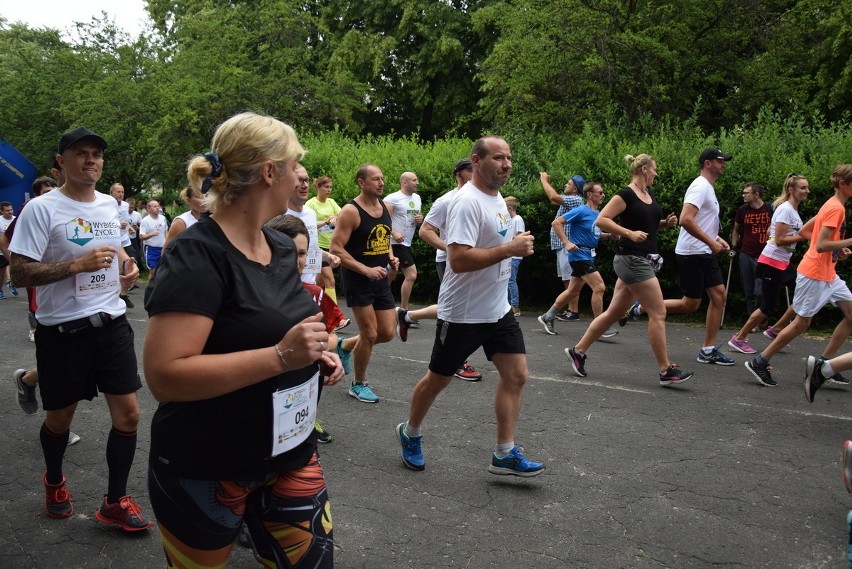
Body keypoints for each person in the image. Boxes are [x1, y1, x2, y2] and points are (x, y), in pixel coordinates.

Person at [143, 112, 340, 567]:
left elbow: (285, 329)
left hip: (290, 454)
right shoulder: (197, 252)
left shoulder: (282, 245)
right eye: (295, 165)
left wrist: (313, 358)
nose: (299, 176)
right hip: (206, 463)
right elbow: (166, 376)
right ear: (270, 172)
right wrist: (280, 356)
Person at [8, 126, 148, 529]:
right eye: (81, 153)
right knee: (59, 421)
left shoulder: (108, 205)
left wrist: (126, 264)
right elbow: (18, 273)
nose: (91, 160)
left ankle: (115, 502)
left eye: (97, 154)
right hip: (63, 333)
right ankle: (54, 482)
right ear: (61, 162)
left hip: (111, 323)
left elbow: (115, 244)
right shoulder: (41, 209)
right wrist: (75, 266)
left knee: (130, 416)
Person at [395, 135, 545, 477]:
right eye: (497, 157)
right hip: (463, 312)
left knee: (517, 374)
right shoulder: (466, 202)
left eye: (508, 157)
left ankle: (504, 453)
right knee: (438, 379)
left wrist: (514, 244)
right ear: (476, 161)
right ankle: (410, 431)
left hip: (497, 308)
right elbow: (459, 260)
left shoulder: (494, 200)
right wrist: (510, 250)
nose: (506, 163)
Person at [565, 154, 692, 386]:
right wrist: (628, 233)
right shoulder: (626, 195)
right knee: (658, 312)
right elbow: (602, 220)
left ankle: (578, 350)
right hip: (632, 259)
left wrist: (665, 224)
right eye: (654, 169)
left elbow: (647, 226)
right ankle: (665, 371)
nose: (656, 173)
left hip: (642, 257)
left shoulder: (648, 194)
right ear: (644, 169)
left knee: (614, 313)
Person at [621, 148, 735, 366]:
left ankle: (708, 350)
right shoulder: (700, 186)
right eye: (720, 161)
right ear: (707, 163)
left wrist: (716, 238)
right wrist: (710, 242)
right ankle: (642, 307)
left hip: (703, 250)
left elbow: (700, 220)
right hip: (692, 252)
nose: (724, 164)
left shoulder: (708, 188)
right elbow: (686, 219)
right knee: (690, 304)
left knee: (719, 296)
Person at [745, 164, 852, 387]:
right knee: (801, 323)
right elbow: (821, 244)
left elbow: (805, 233)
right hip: (814, 273)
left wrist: (837, 250)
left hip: (828, 274)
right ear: (843, 184)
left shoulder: (832, 205)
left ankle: (824, 365)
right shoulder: (836, 209)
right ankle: (760, 361)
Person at [266, 213, 348, 444]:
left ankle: (310, 424)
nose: (297, 260)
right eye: (288, 251)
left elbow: (332, 337)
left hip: (302, 397)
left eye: (301, 253)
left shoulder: (314, 294)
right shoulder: (251, 293)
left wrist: (322, 348)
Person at [398, 158, 482, 381]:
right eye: (472, 172)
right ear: (459, 175)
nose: (477, 175)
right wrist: (452, 248)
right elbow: (425, 231)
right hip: (449, 261)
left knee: (460, 306)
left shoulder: (483, 197)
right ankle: (458, 361)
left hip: (476, 260)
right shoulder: (446, 200)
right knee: (458, 311)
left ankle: (407, 316)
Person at [331, 164, 399, 403]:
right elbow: (336, 248)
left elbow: (384, 236)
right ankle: (358, 384)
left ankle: (346, 345)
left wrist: (390, 256)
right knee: (369, 334)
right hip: (358, 279)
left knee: (388, 332)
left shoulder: (386, 207)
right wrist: (365, 269)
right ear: (361, 182)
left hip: (379, 278)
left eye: (382, 178)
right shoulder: (351, 211)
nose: (381, 183)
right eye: (375, 179)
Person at [727, 174, 811, 355]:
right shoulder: (785, 210)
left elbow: (772, 232)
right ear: (791, 190)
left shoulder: (793, 211)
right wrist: (805, 237)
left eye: (807, 188)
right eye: (803, 188)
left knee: (805, 290)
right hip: (772, 261)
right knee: (766, 306)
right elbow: (780, 240)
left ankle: (775, 330)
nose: (807, 191)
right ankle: (739, 338)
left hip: (782, 262)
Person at [537, 181, 618, 338]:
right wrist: (566, 242)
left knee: (572, 291)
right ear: (589, 194)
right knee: (599, 287)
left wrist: (607, 236)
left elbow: (593, 234)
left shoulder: (598, 214)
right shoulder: (581, 210)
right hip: (579, 255)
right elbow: (557, 222)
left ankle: (547, 317)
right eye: (600, 192)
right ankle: (599, 327)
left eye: (603, 193)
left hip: (588, 254)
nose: (603, 195)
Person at [288, 165, 347, 330]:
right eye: (299, 181)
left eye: (306, 180)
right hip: (291, 289)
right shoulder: (279, 214)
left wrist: (328, 256)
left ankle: (338, 333)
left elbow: (311, 247)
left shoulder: (309, 213)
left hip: (310, 285)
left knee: (320, 340)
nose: (304, 185)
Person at [541, 171, 584, 320]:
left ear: (575, 189)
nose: (566, 184)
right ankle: (571, 311)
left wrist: (544, 180)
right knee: (567, 279)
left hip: (568, 245)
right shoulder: (572, 200)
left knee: (571, 279)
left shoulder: (576, 200)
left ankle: (573, 312)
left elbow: (553, 197)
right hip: (562, 246)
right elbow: (555, 199)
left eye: (569, 183)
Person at [730, 182, 772, 316]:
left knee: (760, 291)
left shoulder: (770, 208)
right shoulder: (743, 210)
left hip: (765, 254)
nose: (743, 195)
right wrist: (734, 247)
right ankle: (751, 320)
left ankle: (762, 317)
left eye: (746, 193)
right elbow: (736, 230)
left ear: (756, 195)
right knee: (748, 290)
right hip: (746, 253)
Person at [384, 171, 423, 310]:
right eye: (414, 180)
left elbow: (416, 217)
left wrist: (420, 219)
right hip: (394, 243)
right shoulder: (393, 198)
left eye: (417, 180)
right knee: (411, 274)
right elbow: (382, 220)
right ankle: (404, 311)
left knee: (391, 274)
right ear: (404, 182)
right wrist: (394, 233)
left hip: (406, 242)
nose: (417, 182)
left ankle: (379, 301)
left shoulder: (417, 198)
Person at [306, 175, 342, 303]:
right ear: (318, 187)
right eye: (326, 187)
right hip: (317, 247)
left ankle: (308, 303)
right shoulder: (310, 204)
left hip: (331, 246)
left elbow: (342, 215)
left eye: (331, 187)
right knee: (330, 280)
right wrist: (326, 221)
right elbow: (308, 224)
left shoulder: (331, 202)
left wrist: (335, 218)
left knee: (318, 282)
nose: (329, 190)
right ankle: (336, 317)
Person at [109, 183, 135, 309]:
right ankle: (114, 295)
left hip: (125, 240)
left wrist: (129, 228)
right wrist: (118, 225)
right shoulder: (106, 205)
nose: (120, 194)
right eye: (118, 192)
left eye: (122, 192)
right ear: (111, 193)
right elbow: (104, 222)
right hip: (113, 241)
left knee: (130, 265)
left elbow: (126, 220)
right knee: (116, 269)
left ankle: (123, 294)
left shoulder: (125, 205)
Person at [505, 196, 525, 316]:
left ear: (509, 208)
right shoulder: (511, 220)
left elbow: (520, 236)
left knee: (511, 281)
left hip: (515, 256)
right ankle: (508, 305)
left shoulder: (517, 219)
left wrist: (508, 240)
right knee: (507, 280)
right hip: (510, 255)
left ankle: (515, 306)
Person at [139, 199, 168, 275]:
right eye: (155, 206)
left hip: (163, 248)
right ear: (148, 209)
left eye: (158, 206)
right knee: (153, 272)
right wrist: (152, 234)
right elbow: (141, 236)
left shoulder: (163, 218)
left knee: (162, 271)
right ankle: (151, 287)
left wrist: (167, 244)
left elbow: (166, 232)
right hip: (151, 249)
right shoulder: (145, 221)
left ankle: (156, 286)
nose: (157, 208)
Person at [0, 201, 18, 299]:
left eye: (11, 210)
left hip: (14, 250)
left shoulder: (16, 220)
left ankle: (12, 282)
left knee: (15, 268)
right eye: (7, 210)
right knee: (1, 273)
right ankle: (0, 290)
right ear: (1, 211)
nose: (10, 212)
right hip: (2, 251)